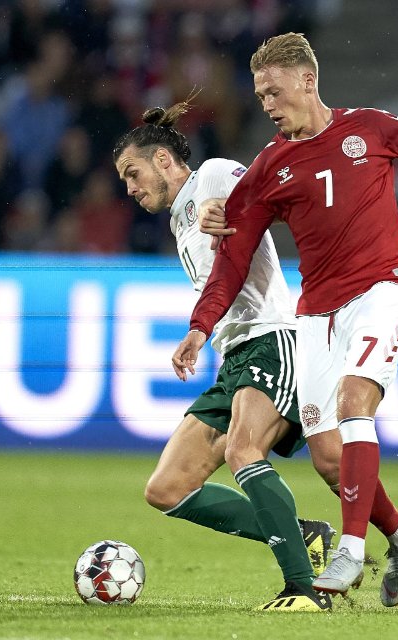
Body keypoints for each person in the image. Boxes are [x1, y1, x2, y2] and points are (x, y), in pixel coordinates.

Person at [174, 32, 398, 606]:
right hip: (317, 314)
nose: (266, 105)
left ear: (307, 80)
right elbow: (231, 264)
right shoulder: (268, 168)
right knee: (328, 457)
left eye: (273, 92)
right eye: (260, 96)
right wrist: (200, 328)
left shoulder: (371, 127)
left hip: (385, 288)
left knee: (353, 405)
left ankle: (349, 548)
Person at [113, 100, 338, 612]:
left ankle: (303, 591)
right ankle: (304, 535)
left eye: (133, 173)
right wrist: (201, 332)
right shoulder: (179, 222)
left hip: (273, 339)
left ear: (164, 160)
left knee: (242, 451)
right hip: (232, 355)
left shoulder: (213, 176)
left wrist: (237, 204)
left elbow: (264, 188)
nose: (129, 188)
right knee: (167, 488)